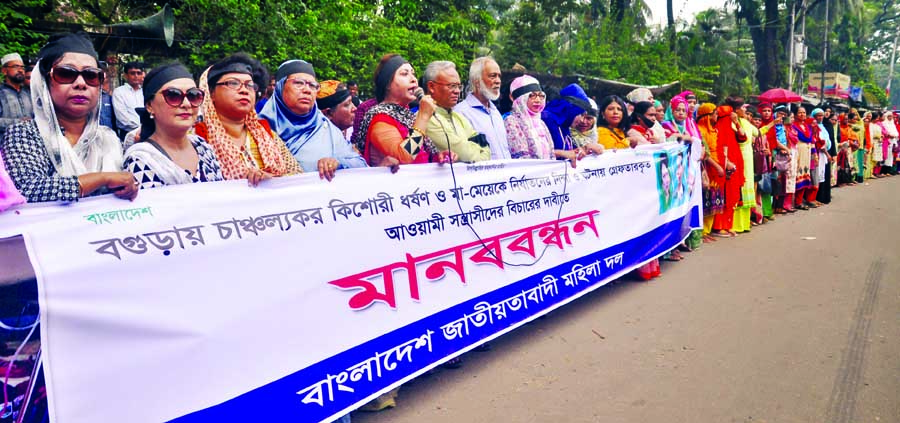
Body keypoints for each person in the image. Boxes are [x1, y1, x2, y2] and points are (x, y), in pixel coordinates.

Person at [1, 33, 137, 202]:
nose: (81, 83)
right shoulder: (24, 134)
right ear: (44, 83)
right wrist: (103, 178)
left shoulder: (107, 137)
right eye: (66, 73)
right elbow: (27, 190)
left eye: (91, 75)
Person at [195, 53, 302, 184]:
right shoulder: (198, 138)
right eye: (233, 83)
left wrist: (271, 182)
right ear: (211, 93)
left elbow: (297, 176)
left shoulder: (266, 134)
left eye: (249, 85)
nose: (244, 90)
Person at [123, 63, 225, 188]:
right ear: (150, 105)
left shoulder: (203, 147)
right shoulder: (141, 159)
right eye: (173, 95)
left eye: (193, 95)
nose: (186, 104)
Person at [260, 60, 366, 179]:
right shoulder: (258, 129)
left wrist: (338, 163)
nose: (307, 90)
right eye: (299, 83)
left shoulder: (325, 128)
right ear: (280, 86)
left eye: (313, 85)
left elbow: (361, 164)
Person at [353, 54, 455, 168]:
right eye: (404, 74)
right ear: (387, 84)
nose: (413, 79)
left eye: (413, 74)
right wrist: (423, 116)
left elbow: (420, 156)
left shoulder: (407, 116)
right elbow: (404, 157)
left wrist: (439, 157)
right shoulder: (380, 119)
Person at [422, 61, 490, 162]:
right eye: (452, 85)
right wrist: (477, 150)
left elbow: (487, 150)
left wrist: (478, 151)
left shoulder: (459, 117)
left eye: (459, 86)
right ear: (431, 87)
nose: (457, 91)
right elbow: (464, 155)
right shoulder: (426, 119)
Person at [453, 57, 511, 160]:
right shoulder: (461, 113)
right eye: (493, 76)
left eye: (499, 76)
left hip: (506, 174)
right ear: (477, 81)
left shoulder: (495, 112)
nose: (498, 81)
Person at [711, 104, 744, 237]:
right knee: (724, 196)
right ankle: (719, 226)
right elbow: (720, 150)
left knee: (732, 196)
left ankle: (728, 224)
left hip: (734, 167)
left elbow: (743, 137)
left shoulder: (731, 129)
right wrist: (726, 163)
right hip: (725, 168)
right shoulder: (719, 129)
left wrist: (737, 123)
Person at [504, 75, 554, 160]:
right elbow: (522, 157)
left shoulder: (541, 123)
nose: (538, 100)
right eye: (532, 95)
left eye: (540, 95)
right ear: (520, 98)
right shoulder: (511, 121)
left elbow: (552, 154)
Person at [696, 102, 725, 242]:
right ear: (707, 116)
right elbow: (705, 153)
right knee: (705, 199)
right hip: (707, 167)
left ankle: (708, 230)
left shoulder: (714, 130)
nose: (716, 116)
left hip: (716, 166)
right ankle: (702, 232)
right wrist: (717, 166)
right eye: (714, 113)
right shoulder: (700, 131)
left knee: (714, 199)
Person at [0, 53, 33, 135]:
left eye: (22, 67)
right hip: (5, 144)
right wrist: (19, 122)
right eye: (15, 67)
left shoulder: (28, 92)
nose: (20, 70)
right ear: (4, 71)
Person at [792, 105, 817, 209]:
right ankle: (797, 202)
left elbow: (811, 141)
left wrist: (814, 154)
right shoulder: (793, 126)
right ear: (796, 114)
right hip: (798, 153)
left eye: (804, 112)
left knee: (805, 176)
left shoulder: (808, 127)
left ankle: (802, 200)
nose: (802, 114)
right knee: (798, 177)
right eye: (800, 112)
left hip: (806, 153)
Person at [112, 62, 145, 135]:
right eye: (132, 73)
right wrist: (141, 127)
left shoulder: (145, 92)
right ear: (126, 75)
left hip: (146, 132)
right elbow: (122, 117)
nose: (136, 76)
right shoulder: (119, 92)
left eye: (138, 73)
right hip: (127, 133)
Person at [881, 110, 898, 175]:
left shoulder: (892, 123)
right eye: (889, 116)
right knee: (885, 156)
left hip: (893, 141)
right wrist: (889, 135)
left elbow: (896, 132)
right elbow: (884, 132)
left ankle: (888, 171)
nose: (890, 118)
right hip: (886, 141)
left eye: (891, 116)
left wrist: (894, 135)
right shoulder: (884, 123)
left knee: (890, 156)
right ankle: (883, 171)